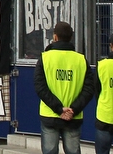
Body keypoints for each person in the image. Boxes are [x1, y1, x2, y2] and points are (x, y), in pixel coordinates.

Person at [34, 22, 96, 154]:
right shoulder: (81, 60)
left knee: (50, 151)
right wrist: (73, 109)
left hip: (50, 114)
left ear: (55, 37)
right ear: (71, 37)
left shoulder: (45, 58)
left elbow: (40, 87)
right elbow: (89, 89)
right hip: (73, 116)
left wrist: (58, 109)